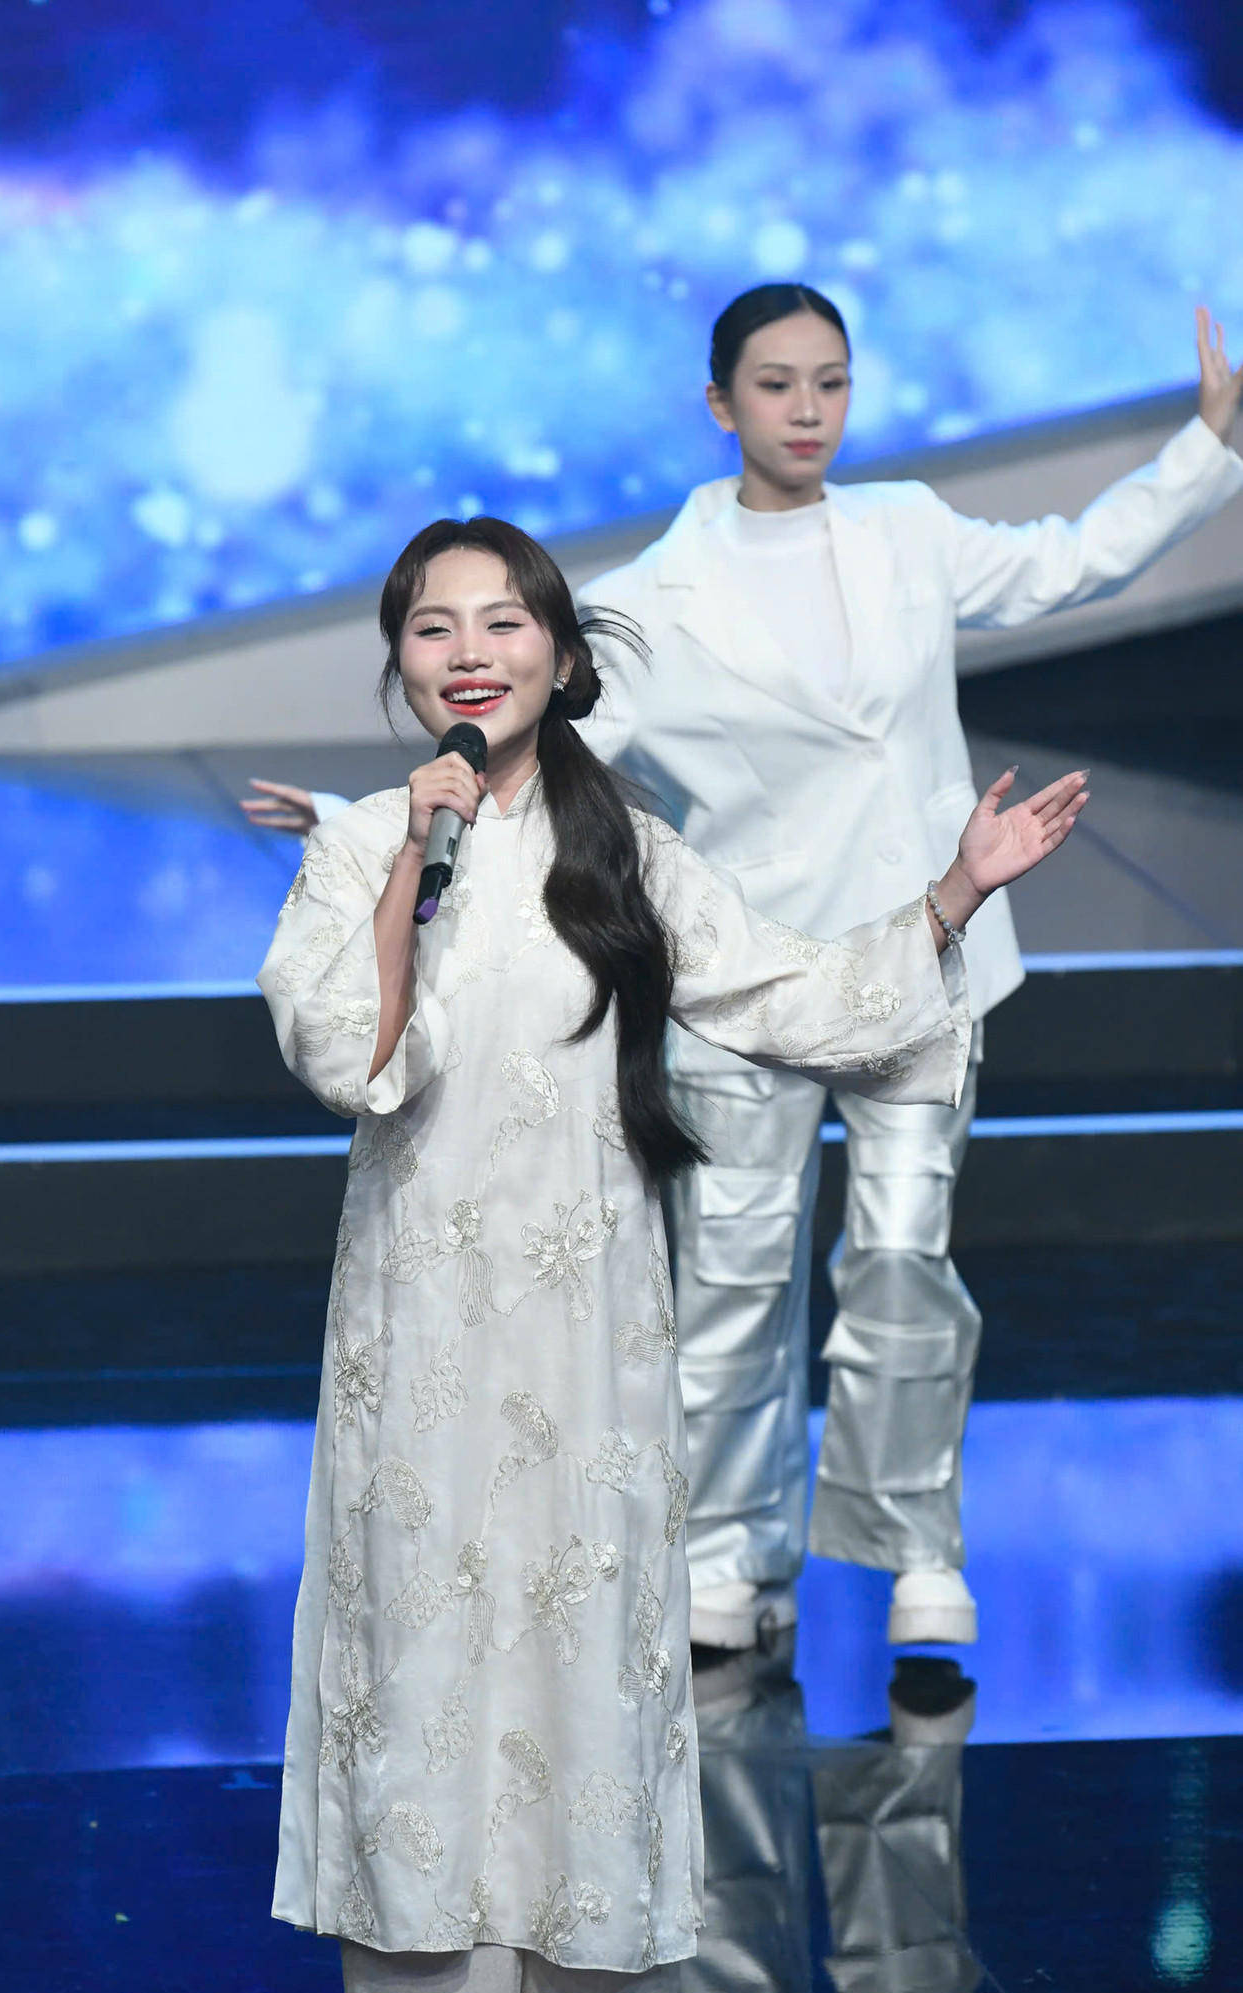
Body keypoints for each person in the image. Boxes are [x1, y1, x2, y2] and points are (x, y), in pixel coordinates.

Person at [242, 295, 1243, 1659]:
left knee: (904, 1257)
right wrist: (359, 823)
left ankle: (915, 1542)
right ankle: (730, 1548)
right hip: (739, 964)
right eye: (775, 383)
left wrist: (1207, 444)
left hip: (916, 953)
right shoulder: (655, 599)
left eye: (831, 380)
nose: (807, 409)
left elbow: (1071, 561)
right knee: (729, 1273)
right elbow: (523, 747)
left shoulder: (906, 530)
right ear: (720, 404)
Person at [257, 512, 1085, 1993]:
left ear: (562, 660)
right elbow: (349, 1058)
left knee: (582, 1707)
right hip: (418, 1352)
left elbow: (790, 993)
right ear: (400, 667)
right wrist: (414, 864)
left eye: (503, 624)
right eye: (434, 629)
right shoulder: (362, 845)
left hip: (587, 1352)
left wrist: (949, 898)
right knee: (422, 1694)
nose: (469, 654)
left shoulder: (621, 844)